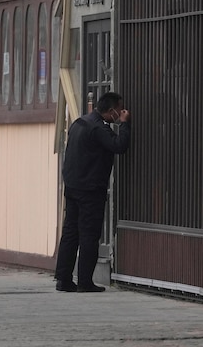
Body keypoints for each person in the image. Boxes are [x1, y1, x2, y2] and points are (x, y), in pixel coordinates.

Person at [55, 92, 130, 292]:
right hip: (90, 189)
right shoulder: (99, 128)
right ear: (111, 110)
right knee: (89, 234)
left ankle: (63, 279)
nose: (121, 112)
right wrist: (124, 124)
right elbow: (119, 146)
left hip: (72, 186)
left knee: (70, 232)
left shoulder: (79, 123)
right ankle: (85, 281)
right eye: (119, 109)